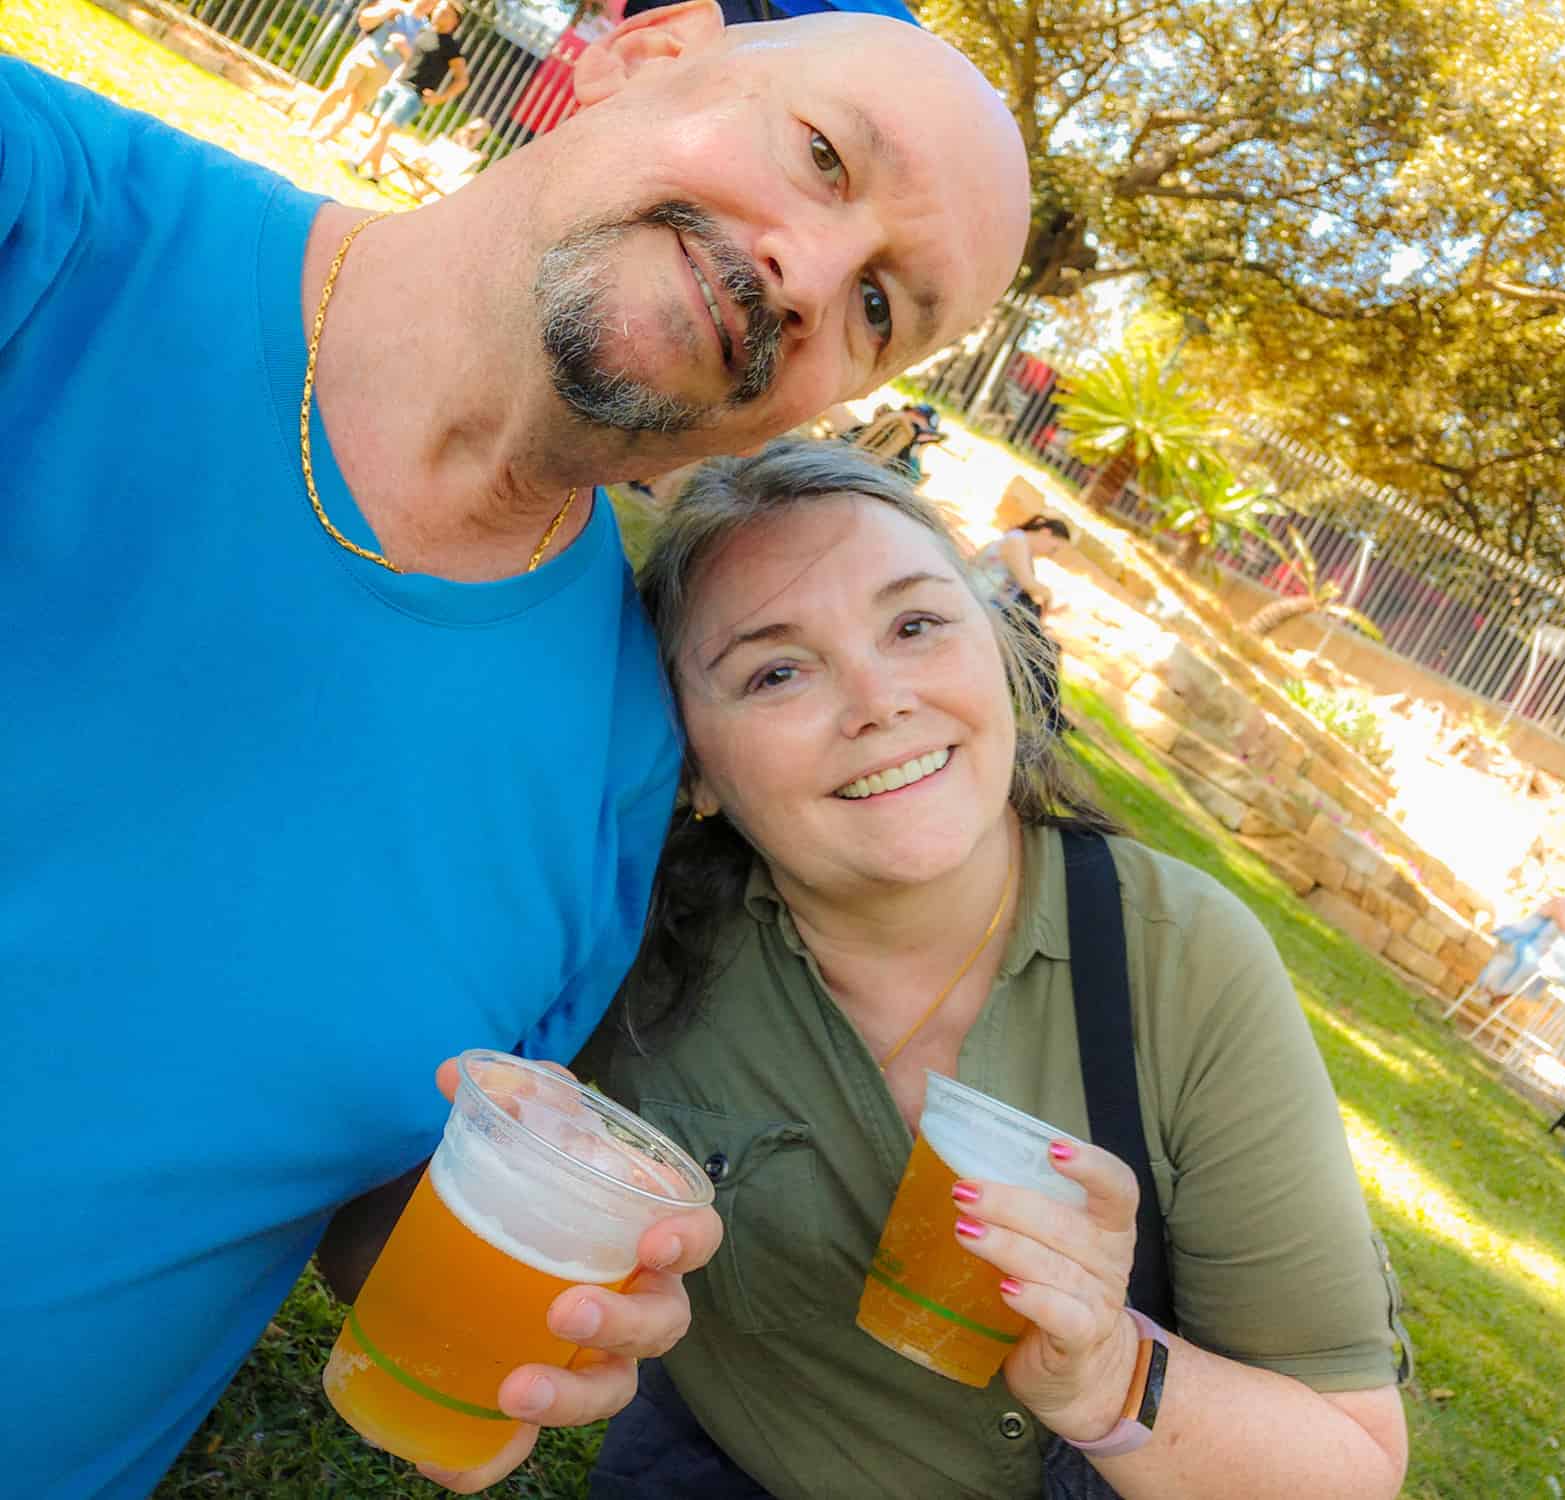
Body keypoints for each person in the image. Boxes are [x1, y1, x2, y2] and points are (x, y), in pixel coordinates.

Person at [2, 4, 1031, 1494]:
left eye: (882, 306)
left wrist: (548, 1279)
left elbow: (333, 1184)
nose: (808, 274)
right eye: (818, 155)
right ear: (641, 52)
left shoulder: (622, 758)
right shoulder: (53, 225)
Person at [579, 441, 1410, 1500]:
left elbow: (1347, 1468)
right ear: (690, 759)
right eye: (775, 670)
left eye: (914, 624)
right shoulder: (626, 940)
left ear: (997, 649)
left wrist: (1109, 1375)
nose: (877, 702)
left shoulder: (1180, 957)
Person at [974, 512, 1074, 738]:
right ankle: (1049, 714)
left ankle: (1050, 713)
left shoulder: (1022, 547)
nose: (1051, 554)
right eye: (1054, 548)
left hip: (996, 609)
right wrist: (1048, 595)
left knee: (1046, 648)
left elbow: (1028, 593)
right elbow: (1030, 585)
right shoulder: (1016, 540)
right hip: (982, 605)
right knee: (1040, 648)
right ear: (1046, 533)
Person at [349, 0, 472, 183]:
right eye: (438, 9)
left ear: (455, 21)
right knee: (378, 128)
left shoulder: (450, 47)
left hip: (413, 94)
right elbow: (411, 60)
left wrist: (441, 97)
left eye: (445, 12)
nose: (438, 13)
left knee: (384, 128)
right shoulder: (424, 32)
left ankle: (357, 162)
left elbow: (462, 80)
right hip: (397, 84)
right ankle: (375, 173)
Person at [290, 0, 433, 148]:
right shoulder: (395, 4)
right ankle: (309, 126)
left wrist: (404, 48)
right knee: (339, 89)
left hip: (386, 71)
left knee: (355, 105)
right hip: (366, 54)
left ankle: (323, 138)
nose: (428, 3)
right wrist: (387, 11)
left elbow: (416, 61)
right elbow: (364, 20)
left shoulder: (426, 29)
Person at [1462, 871, 1565, 1009]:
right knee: (1531, 964)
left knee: (1548, 971)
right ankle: (1493, 993)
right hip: (1525, 939)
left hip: (1544, 951)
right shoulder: (1559, 903)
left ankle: (1499, 996)